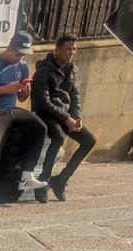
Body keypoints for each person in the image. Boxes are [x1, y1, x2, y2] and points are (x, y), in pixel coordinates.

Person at [0, 30, 47, 209]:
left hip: (11, 110)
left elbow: (22, 99)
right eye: (17, 53)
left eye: (22, 55)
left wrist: (23, 89)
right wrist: (3, 89)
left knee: (40, 127)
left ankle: (27, 175)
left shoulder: (22, 66)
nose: (18, 57)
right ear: (9, 47)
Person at [31, 34, 96, 203]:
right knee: (58, 136)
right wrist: (66, 118)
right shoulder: (43, 71)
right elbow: (43, 102)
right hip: (46, 114)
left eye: (74, 49)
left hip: (65, 115)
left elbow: (75, 95)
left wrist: (77, 116)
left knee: (89, 140)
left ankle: (61, 180)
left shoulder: (71, 70)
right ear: (57, 50)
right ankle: (42, 183)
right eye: (68, 49)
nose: (71, 52)